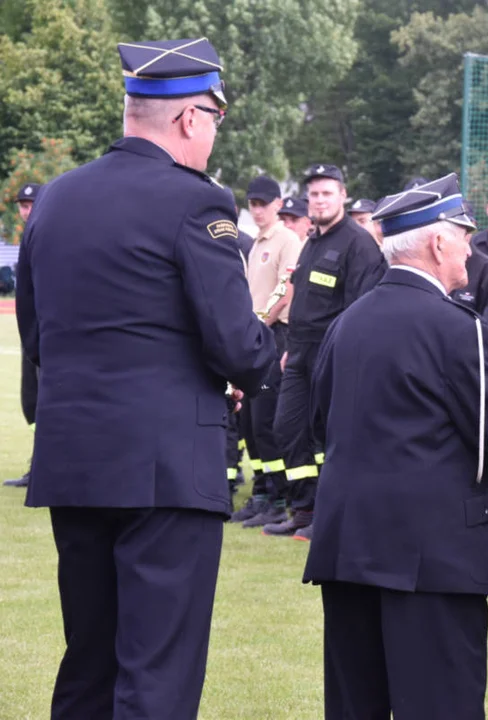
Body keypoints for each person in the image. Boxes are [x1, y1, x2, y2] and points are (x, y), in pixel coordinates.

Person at [14, 37, 275, 719]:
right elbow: (236, 345)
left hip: (76, 461)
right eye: (215, 121)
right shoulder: (197, 203)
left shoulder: (56, 203)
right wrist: (266, 357)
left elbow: (38, 337)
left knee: (89, 664)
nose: (214, 137)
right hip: (164, 468)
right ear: (192, 118)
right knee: (156, 672)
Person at [302, 173, 488, 720]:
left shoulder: (345, 324)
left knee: (355, 706)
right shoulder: (454, 328)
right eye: (462, 235)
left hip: (348, 546)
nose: (470, 247)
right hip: (430, 555)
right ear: (438, 242)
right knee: (442, 704)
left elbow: (317, 423)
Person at [267, 163, 386, 540]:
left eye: (326, 193)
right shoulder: (312, 241)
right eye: (314, 194)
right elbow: (301, 298)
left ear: (343, 196)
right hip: (299, 353)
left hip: (333, 355)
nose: (319, 200)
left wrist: (342, 356)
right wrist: (293, 348)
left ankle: (333, 515)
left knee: (331, 437)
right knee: (288, 429)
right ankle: (303, 509)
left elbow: (360, 310)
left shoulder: (358, 243)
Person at [230, 175, 302, 528]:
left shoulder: (286, 239)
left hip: (275, 336)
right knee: (250, 422)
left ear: (278, 204)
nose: (257, 211)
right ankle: (261, 493)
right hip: (257, 335)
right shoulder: (257, 243)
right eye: (253, 204)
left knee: (265, 421)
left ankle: (277, 496)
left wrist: (260, 325)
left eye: (263, 204)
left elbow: (286, 290)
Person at [4, 182, 42, 489]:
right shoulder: (26, 236)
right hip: (31, 333)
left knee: (50, 401)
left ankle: (50, 468)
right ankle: (39, 464)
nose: (25, 210)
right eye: (22, 205)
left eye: (30, 204)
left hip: (52, 332)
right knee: (31, 401)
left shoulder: (51, 231)